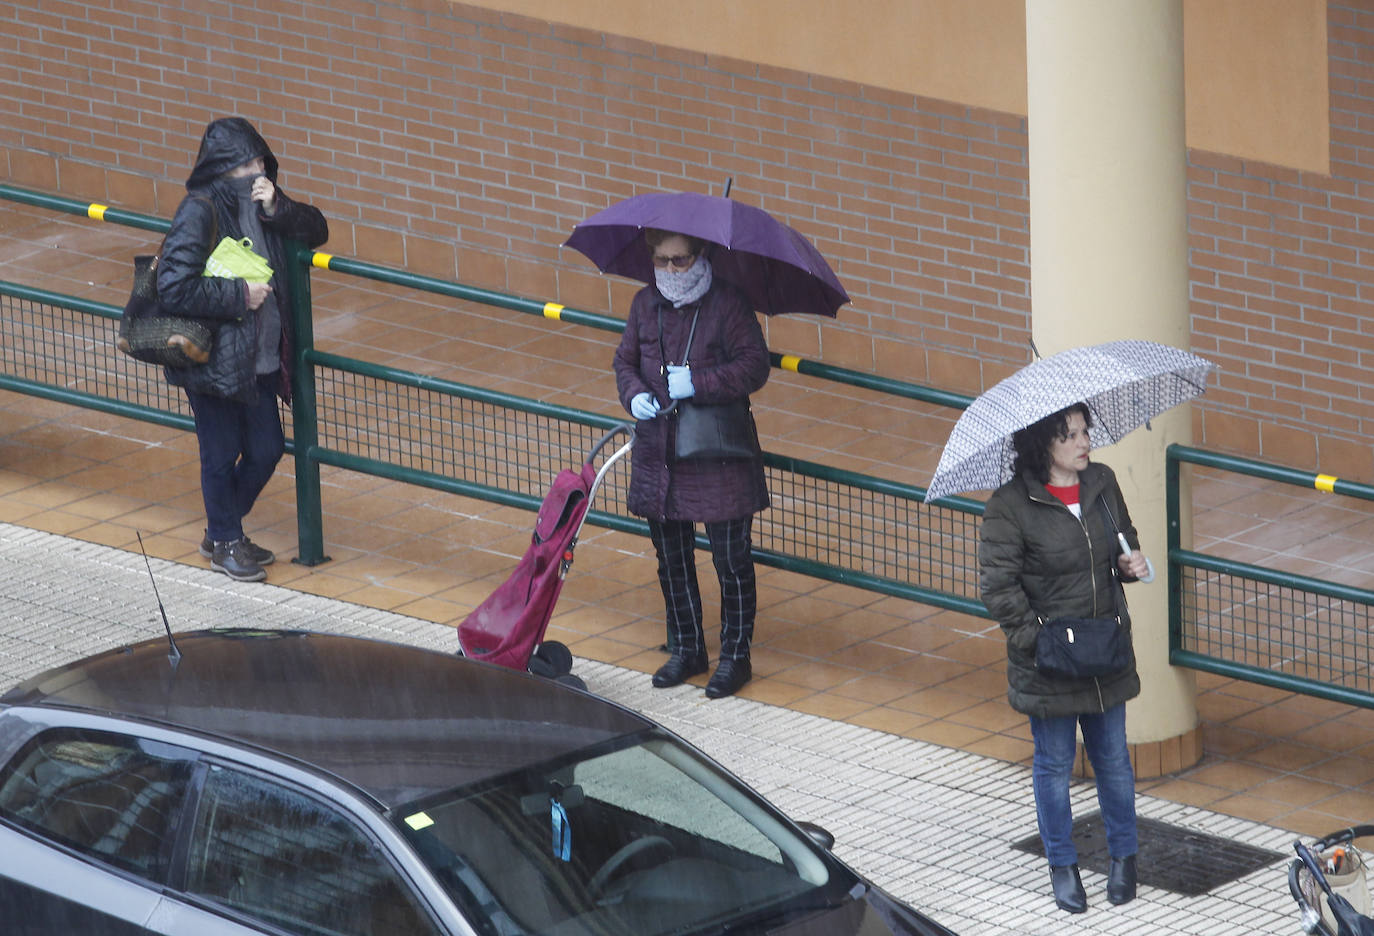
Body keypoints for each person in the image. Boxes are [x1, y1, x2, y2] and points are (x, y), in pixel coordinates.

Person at [978, 402, 1150, 913]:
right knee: (1053, 767)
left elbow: (1126, 541)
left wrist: (1129, 561)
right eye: (1070, 435)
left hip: (1105, 651)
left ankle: (1125, 859)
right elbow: (998, 588)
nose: (1084, 442)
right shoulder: (1009, 506)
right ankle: (1062, 865)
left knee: (1114, 762)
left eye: (1084, 431)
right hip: (1050, 663)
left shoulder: (1102, 483)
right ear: (1042, 445)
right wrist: (1038, 642)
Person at [157, 117, 328, 583]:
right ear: (223, 167)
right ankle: (227, 540)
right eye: (246, 162)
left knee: (268, 448)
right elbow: (173, 286)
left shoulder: (265, 201)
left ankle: (221, 528)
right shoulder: (199, 210)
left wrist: (281, 207)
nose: (257, 169)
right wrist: (238, 296)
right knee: (220, 451)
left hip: (260, 360)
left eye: (259, 160)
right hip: (212, 361)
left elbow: (317, 229)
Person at [612, 228, 770, 699]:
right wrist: (635, 394)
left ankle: (735, 656)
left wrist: (697, 382)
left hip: (717, 455)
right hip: (660, 453)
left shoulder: (728, 305)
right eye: (661, 261)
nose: (670, 271)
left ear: (701, 257)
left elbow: (753, 365)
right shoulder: (645, 305)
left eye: (679, 261)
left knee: (731, 561)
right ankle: (687, 647)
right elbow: (624, 362)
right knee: (672, 560)